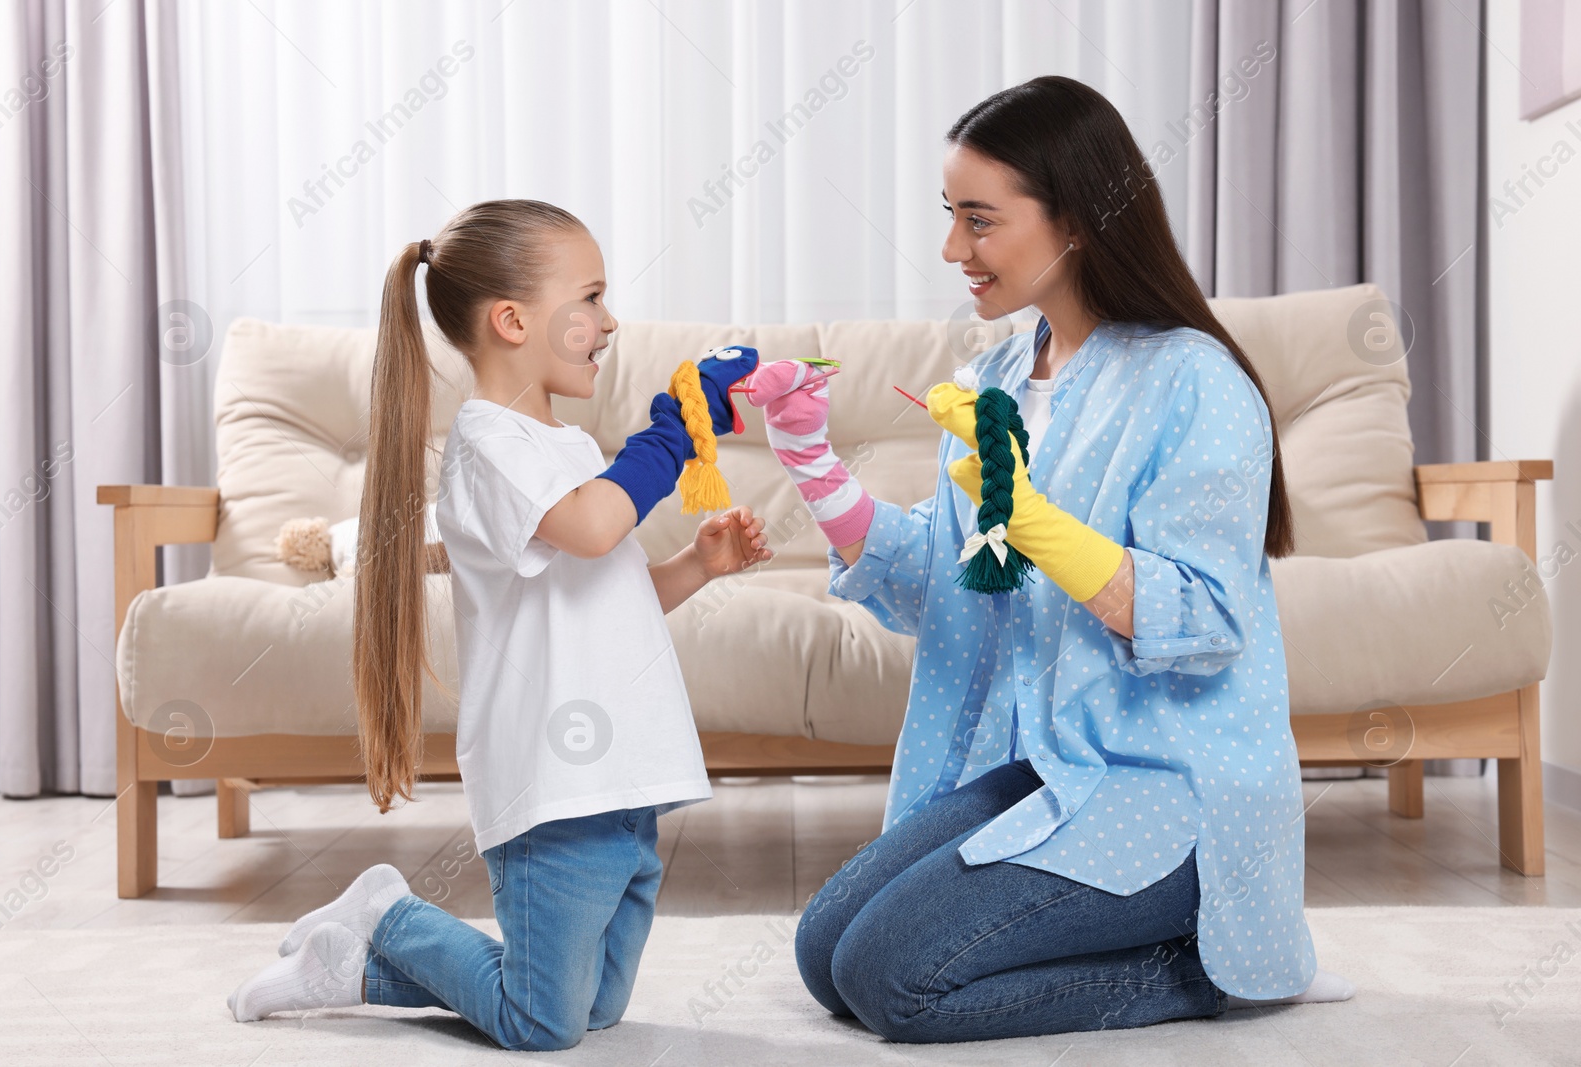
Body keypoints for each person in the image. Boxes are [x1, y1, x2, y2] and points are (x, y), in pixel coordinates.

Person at [755, 77, 1354, 1042]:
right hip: (1045, 769)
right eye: (951, 218)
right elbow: (943, 583)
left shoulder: (1194, 381)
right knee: (827, 951)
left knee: (895, 983)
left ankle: (1215, 970)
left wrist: (1033, 519)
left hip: (1167, 791)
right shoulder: (994, 378)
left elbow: (1203, 616)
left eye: (980, 221)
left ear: (1075, 218)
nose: (954, 250)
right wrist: (813, 463)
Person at [226, 199, 774, 1051]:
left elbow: (606, 599)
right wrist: (675, 427)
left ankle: (356, 964)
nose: (609, 320)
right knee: (542, 1020)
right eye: (589, 298)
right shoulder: (490, 445)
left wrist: (699, 566)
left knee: (593, 1007)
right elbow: (596, 526)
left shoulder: (570, 449)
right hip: (556, 781)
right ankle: (387, 912)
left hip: (627, 779)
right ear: (513, 320)